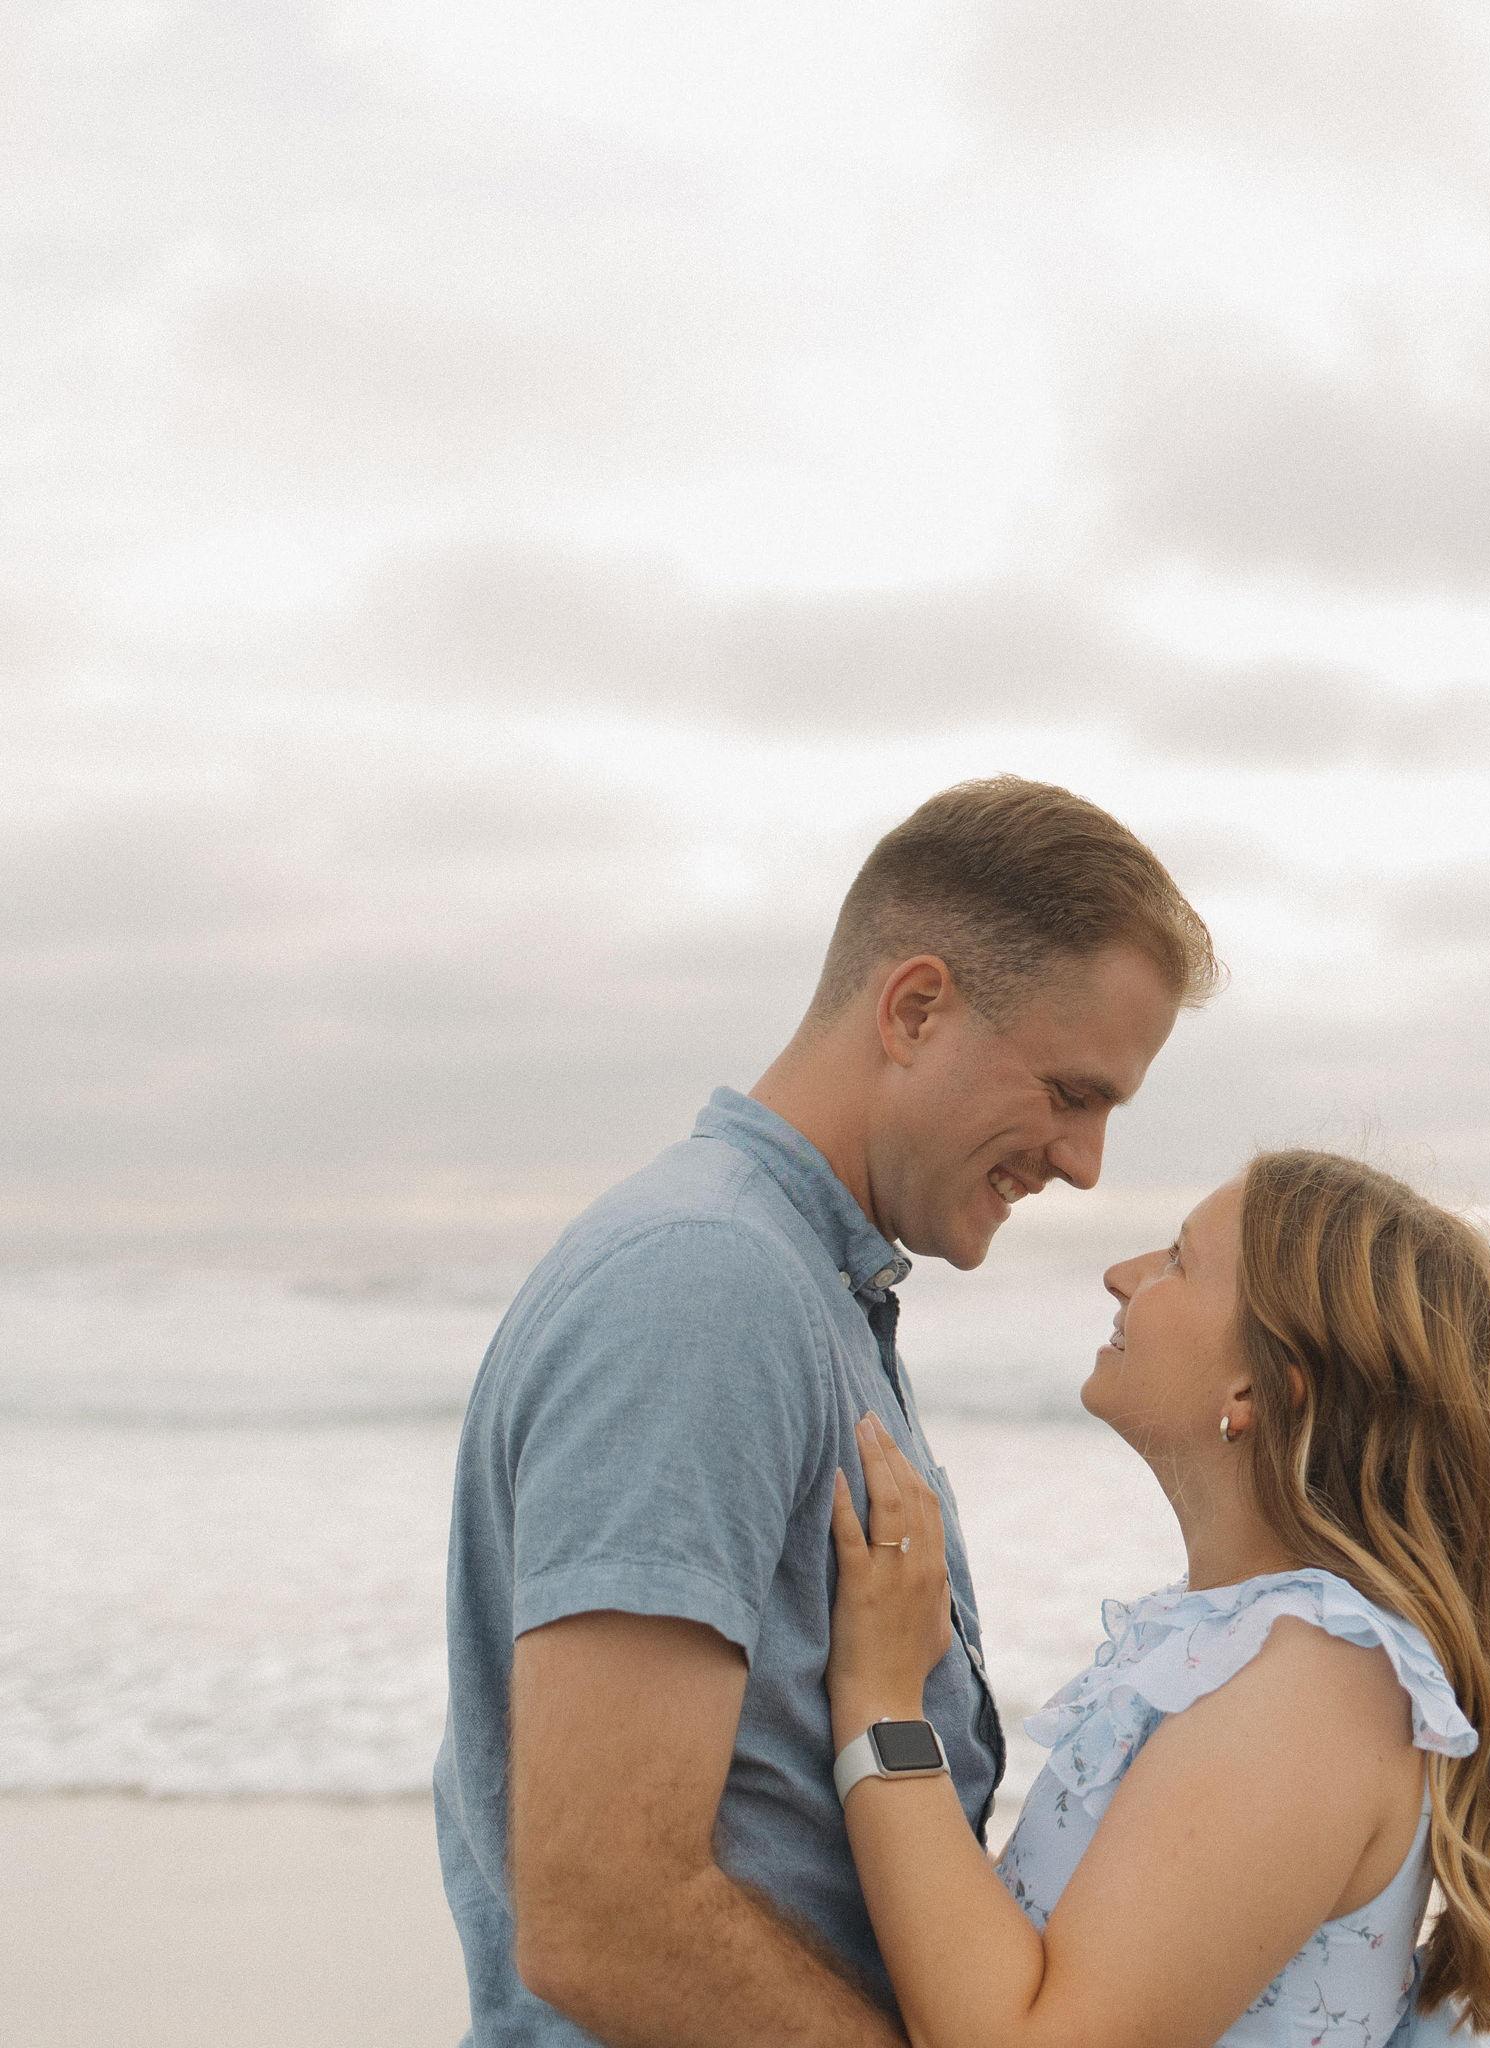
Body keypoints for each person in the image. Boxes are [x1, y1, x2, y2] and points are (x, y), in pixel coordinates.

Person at [432, 775, 1220, 2043]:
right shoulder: (706, 1283)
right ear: (914, 1008)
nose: (1083, 1163)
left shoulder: (804, 1286)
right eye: (1070, 1094)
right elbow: (604, 1911)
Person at [823, 1150, 1490, 2048]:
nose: (1122, 1274)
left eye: (1178, 1261)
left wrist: (881, 1703)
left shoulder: (1312, 1691)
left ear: (1257, 1386)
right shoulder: (1252, 1649)